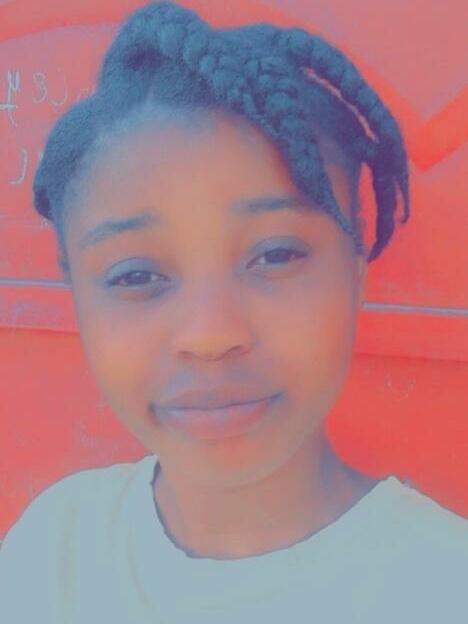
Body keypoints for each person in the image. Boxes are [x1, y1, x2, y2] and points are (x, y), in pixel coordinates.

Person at [0, 1, 466, 622]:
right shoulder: (53, 549)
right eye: (136, 275)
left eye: (275, 255)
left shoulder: (444, 585)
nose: (210, 334)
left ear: (355, 271)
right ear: (78, 300)